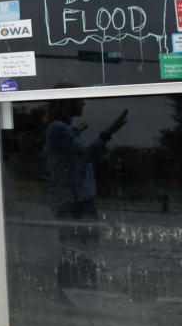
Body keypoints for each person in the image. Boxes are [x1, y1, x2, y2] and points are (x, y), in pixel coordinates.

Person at [44, 87, 127, 292]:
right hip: (73, 202)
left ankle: (78, 294)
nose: (84, 103)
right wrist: (108, 133)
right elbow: (85, 154)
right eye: (79, 99)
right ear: (66, 103)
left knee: (80, 250)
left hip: (77, 200)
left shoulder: (64, 129)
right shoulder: (58, 128)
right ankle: (73, 297)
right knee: (76, 251)